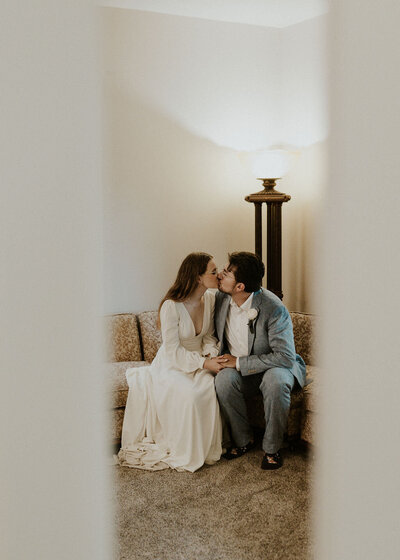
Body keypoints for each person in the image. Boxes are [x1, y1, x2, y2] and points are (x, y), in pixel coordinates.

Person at [118, 252, 226, 472]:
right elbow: (173, 350)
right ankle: (186, 449)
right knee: (190, 394)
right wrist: (204, 364)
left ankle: (207, 449)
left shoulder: (211, 299)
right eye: (213, 272)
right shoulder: (171, 306)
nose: (219, 275)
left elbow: (209, 337)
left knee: (208, 389)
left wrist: (210, 356)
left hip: (201, 360)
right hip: (172, 363)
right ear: (198, 277)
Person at [214, 251, 306, 470]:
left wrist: (238, 362)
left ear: (240, 287)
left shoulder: (274, 308)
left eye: (226, 273)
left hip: (276, 366)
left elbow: (284, 357)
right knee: (223, 381)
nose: (220, 274)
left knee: (276, 382)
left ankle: (272, 448)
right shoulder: (219, 298)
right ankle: (244, 440)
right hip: (240, 369)